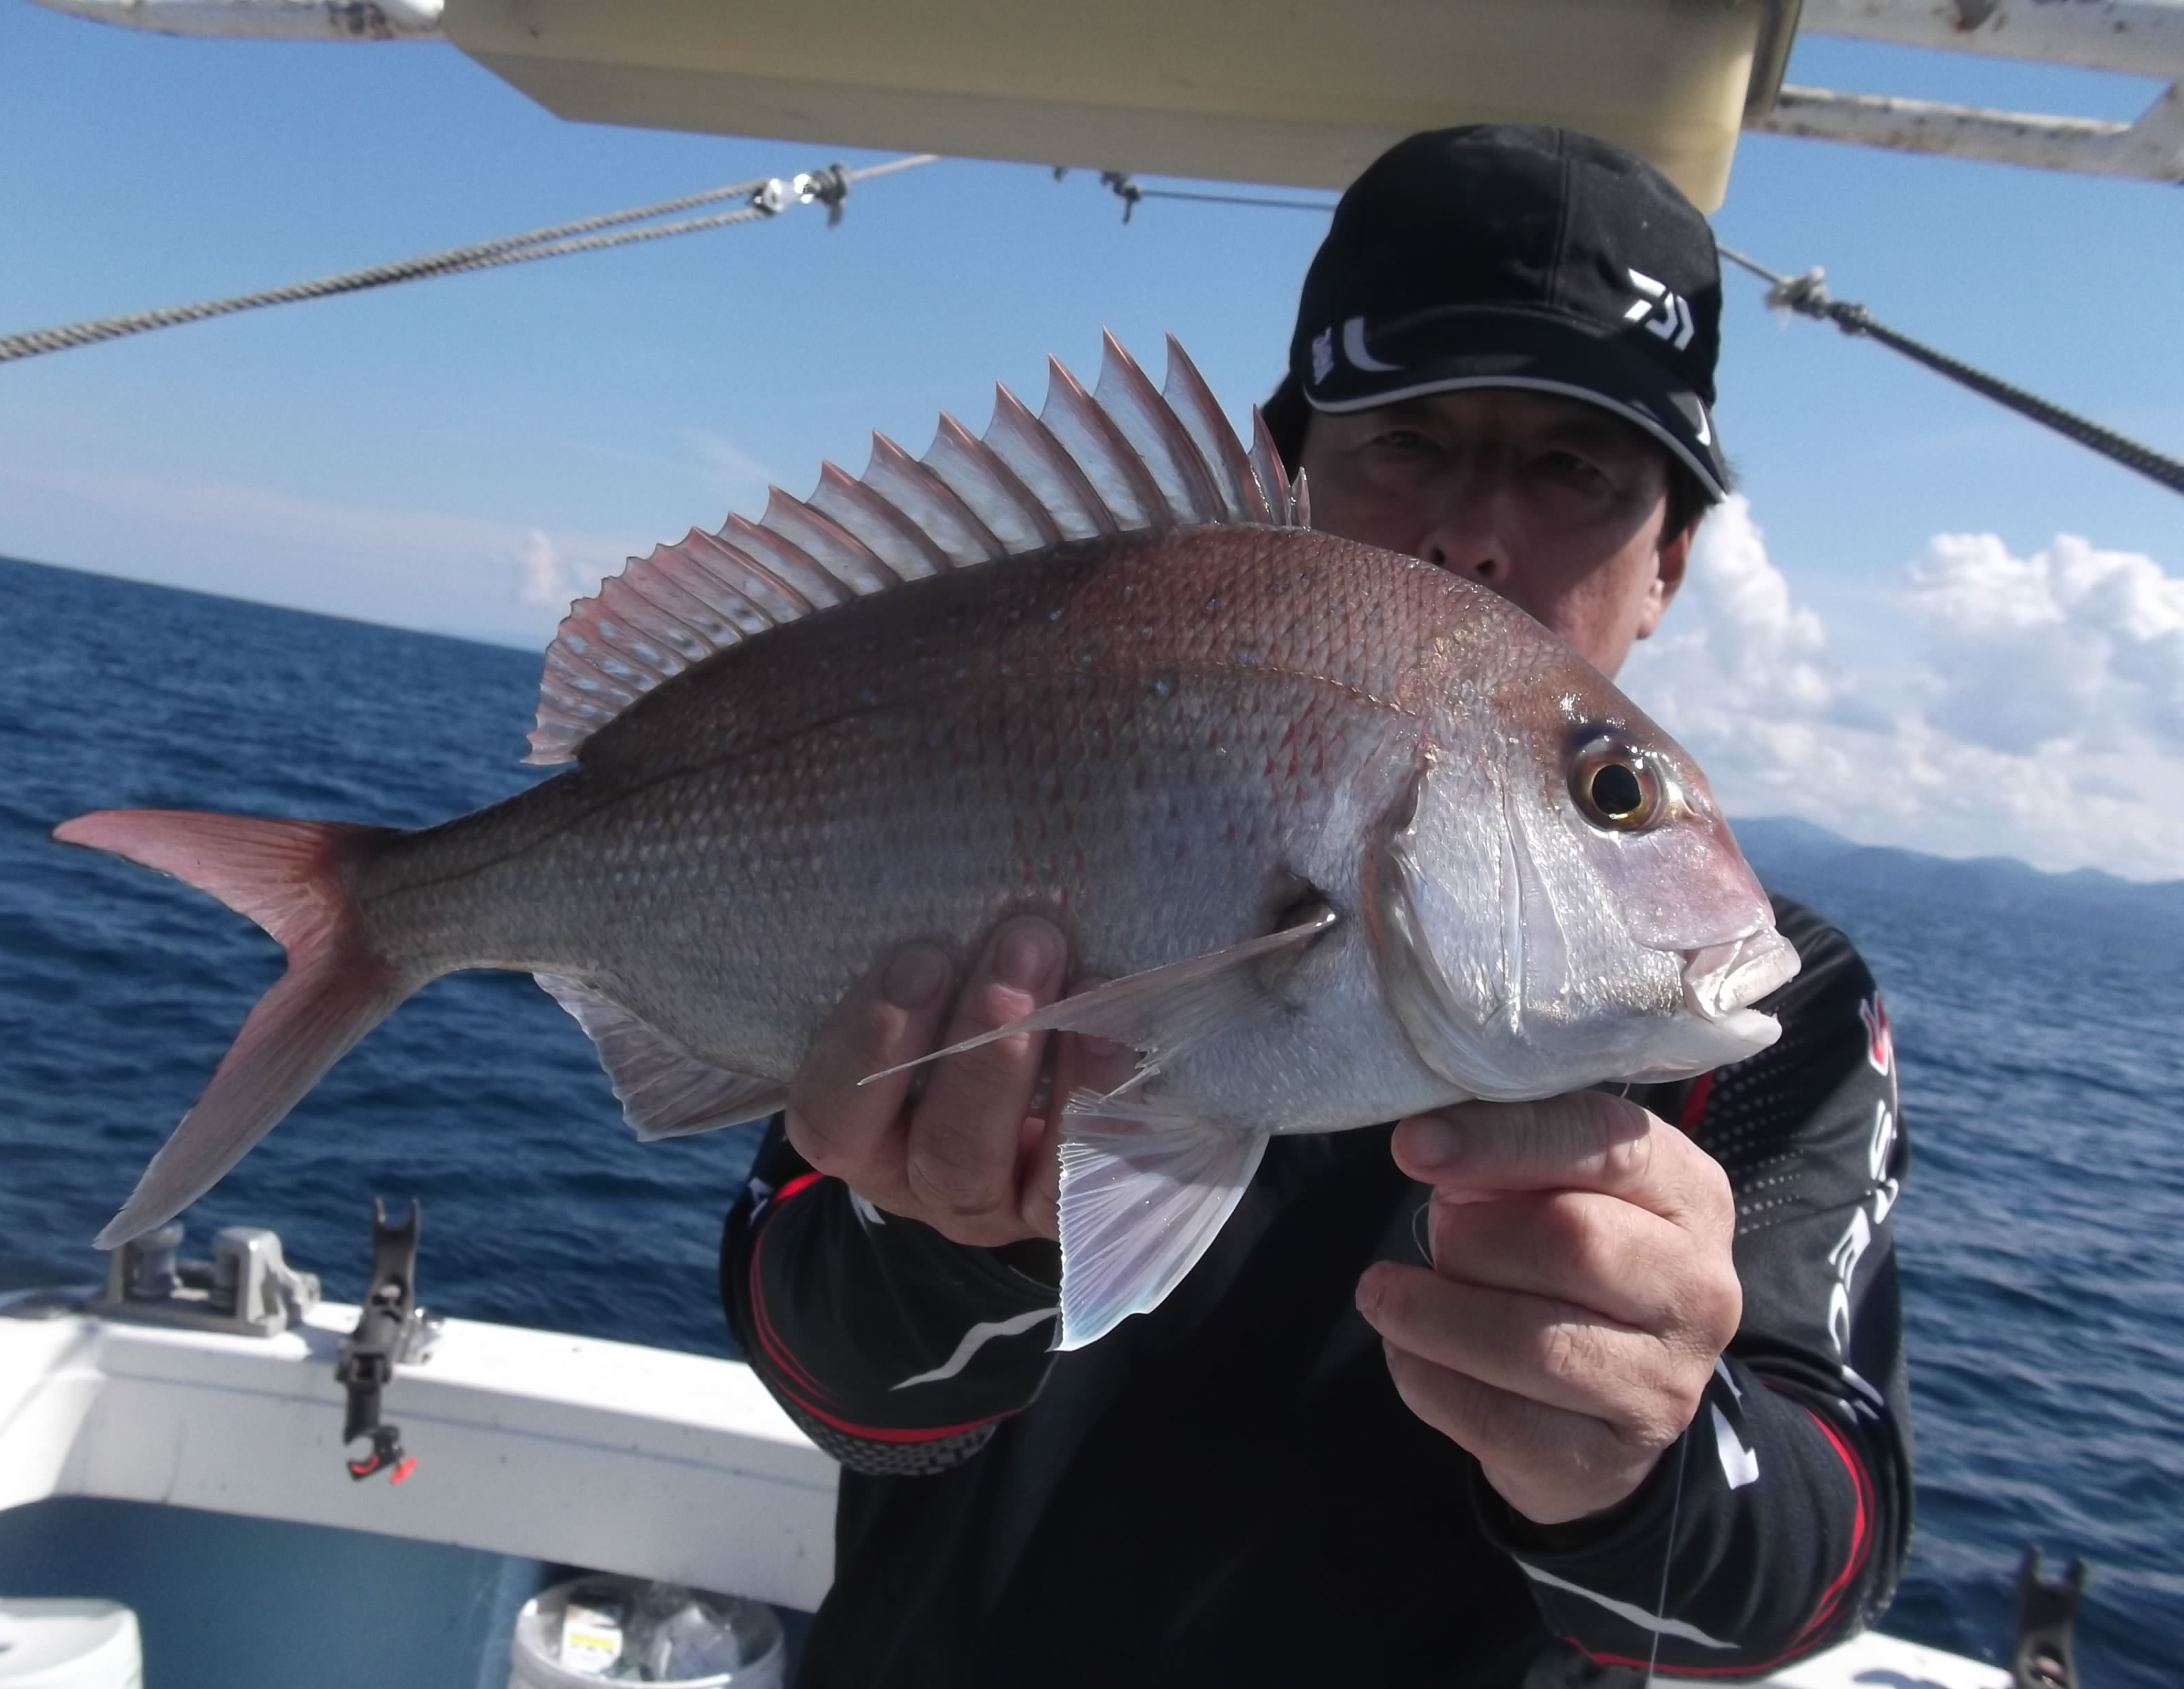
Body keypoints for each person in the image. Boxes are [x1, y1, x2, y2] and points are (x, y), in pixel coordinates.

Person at [719, 126, 1912, 1687]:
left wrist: (1644, 1465)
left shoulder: (1765, 1013)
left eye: (1572, 467)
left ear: (1667, 563)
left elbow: (1828, 1557)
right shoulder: (1005, 758)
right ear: (1285, 478)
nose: (1477, 531)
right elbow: (826, 1377)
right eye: (1407, 435)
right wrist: (952, 1245)